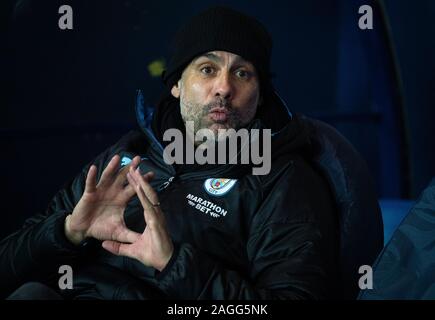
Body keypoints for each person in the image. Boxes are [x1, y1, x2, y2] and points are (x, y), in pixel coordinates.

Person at [0, 6, 339, 300]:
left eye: (242, 73)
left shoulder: (283, 181)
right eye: (208, 69)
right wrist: (67, 232)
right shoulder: (127, 154)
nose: (224, 87)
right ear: (176, 84)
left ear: (260, 95)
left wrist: (174, 264)